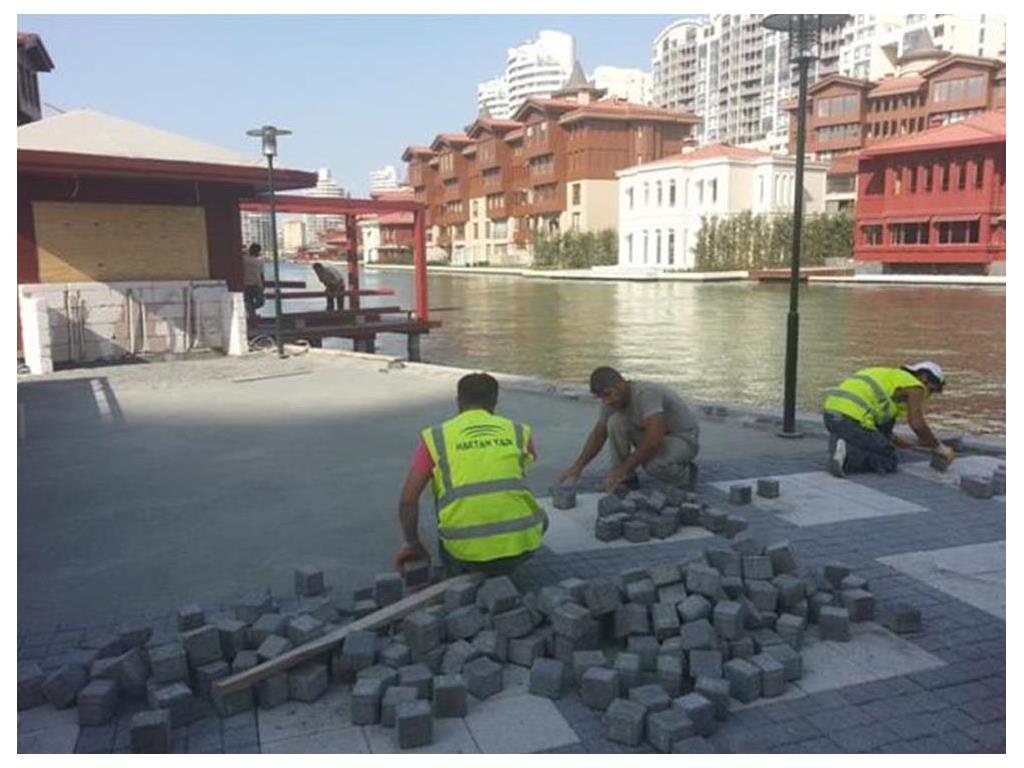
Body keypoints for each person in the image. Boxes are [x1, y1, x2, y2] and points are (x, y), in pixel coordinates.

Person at [394, 372, 547, 577]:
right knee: (537, 513)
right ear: (495, 402)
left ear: (458, 401)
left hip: (463, 549)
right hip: (521, 544)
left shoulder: (437, 436)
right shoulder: (519, 431)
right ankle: (506, 567)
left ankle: (460, 572)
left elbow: (408, 500)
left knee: (444, 486)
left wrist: (412, 543)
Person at [558, 366, 700, 492]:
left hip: (682, 437)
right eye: (601, 397)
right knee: (615, 422)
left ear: (621, 384)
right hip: (654, 434)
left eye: (608, 394)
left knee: (654, 465)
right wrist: (578, 467)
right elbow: (599, 434)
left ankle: (686, 476)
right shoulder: (611, 401)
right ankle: (627, 479)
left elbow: (654, 441)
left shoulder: (646, 394)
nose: (606, 401)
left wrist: (622, 470)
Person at [823, 361, 955, 477]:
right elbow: (917, 424)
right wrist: (940, 448)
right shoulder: (915, 386)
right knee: (888, 458)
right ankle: (848, 458)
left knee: (877, 443)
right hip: (850, 419)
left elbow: (883, 429)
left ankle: (843, 441)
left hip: (831, 415)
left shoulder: (891, 378)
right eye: (931, 390)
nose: (928, 395)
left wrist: (899, 441)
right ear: (924, 377)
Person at [243, 243, 265, 320]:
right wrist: (263, 284)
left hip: (252, 285)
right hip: (251, 285)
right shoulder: (259, 260)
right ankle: (252, 314)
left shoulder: (244, 259)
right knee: (260, 301)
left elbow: (261, 274)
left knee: (253, 302)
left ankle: (250, 310)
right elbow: (262, 274)